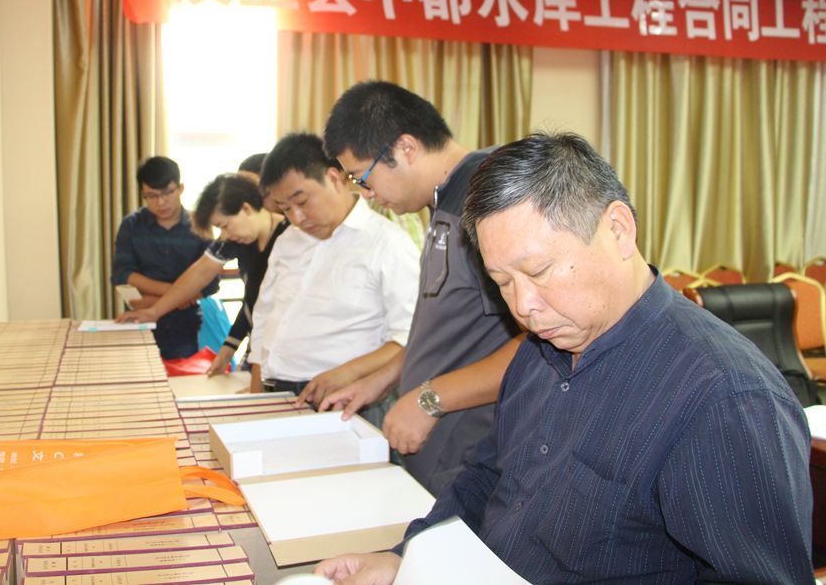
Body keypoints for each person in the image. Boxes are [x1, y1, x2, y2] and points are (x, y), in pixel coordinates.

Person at [316, 132, 813, 584]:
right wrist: (405, 557)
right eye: (503, 282)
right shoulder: (540, 350)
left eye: (539, 271)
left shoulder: (724, 398)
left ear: (618, 229)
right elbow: (486, 476)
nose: (523, 306)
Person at [320, 80, 521, 494]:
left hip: (475, 452)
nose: (367, 195)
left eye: (363, 177)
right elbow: (447, 327)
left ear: (406, 148)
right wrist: (383, 378)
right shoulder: (441, 202)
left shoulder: (486, 199)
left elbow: (539, 346)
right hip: (439, 447)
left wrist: (430, 398)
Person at [247, 133, 420, 420]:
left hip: (349, 402)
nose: (297, 218)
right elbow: (265, 317)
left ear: (334, 178)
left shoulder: (387, 243)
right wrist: (257, 395)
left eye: (302, 201)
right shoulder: (288, 240)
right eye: (285, 209)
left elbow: (409, 337)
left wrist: (348, 372)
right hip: (277, 396)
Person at [117, 173, 288, 376]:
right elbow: (201, 272)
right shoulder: (239, 239)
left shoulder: (288, 236)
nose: (224, 235)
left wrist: (251, 370)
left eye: (225, 225)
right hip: (260, 348)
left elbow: (269, 309)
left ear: (246, 209)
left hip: (285, 350)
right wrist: (154, 312)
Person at [111, 156, 218, 359]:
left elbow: (210, 284)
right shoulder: (132, 225)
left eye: (167, 193)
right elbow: (123, 274)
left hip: (184, 326)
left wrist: (156, 301)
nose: (160, 202)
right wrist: (177, 294)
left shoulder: (199, 225)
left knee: (181, 377)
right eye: (152, 196)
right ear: (143, 194)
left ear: (181, 188)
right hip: (140, 323)